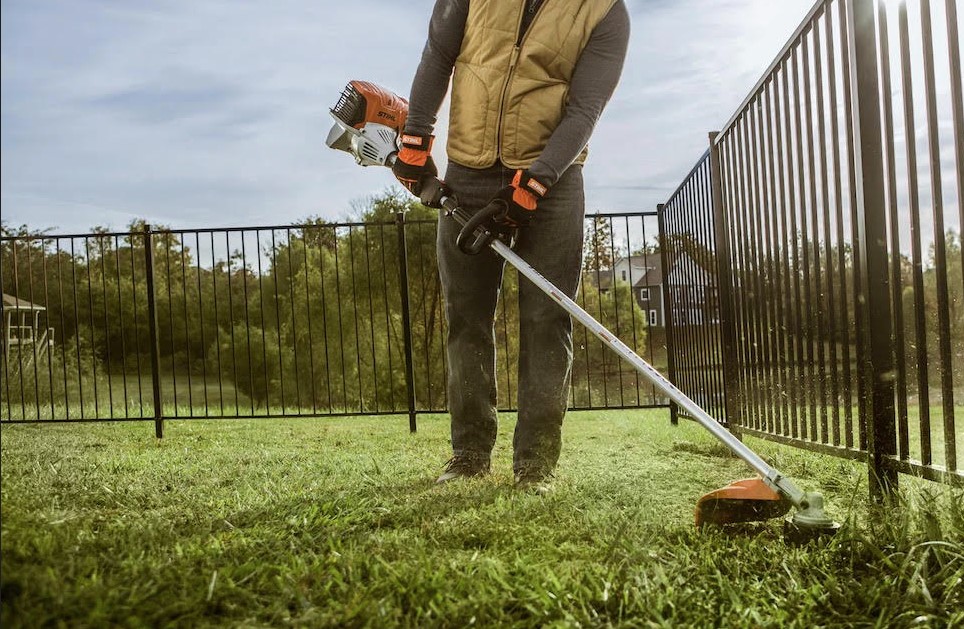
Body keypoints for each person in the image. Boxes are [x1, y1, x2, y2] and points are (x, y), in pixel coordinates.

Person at [392, 0, 630, 491]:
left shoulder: (606, 11)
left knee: (546, 318)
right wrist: (415, 140)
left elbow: (587, 107)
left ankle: (535, 465)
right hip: (468, 169)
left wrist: (535, 184)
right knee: (466, 317)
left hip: (554, 181)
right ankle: (470, 454)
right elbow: (438, 55)